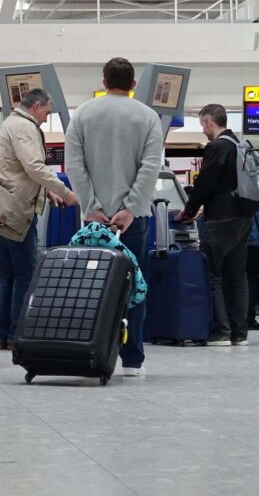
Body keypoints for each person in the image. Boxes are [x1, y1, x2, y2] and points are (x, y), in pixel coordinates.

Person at [64, 57, 164, 376]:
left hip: (93, 222)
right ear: (133, 84)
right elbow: (150, 168)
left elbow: (74, 166)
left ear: (103, 81)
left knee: (91, 287)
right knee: (133, 286)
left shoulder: (82, 114)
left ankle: (91, 349)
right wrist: (131, 209)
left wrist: (92, 207)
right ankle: (132, 358)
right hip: (133, 222)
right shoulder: (148, 117)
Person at [0, 88, 77, 351]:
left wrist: (47, 191)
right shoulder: (25, 127)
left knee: (6, 277)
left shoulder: (9, 123)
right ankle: (17, 334)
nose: (46, 118)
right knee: (25, 275)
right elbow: (34, 167)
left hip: (1, 209)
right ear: (36, 106)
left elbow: (16, 168)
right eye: (47, 112)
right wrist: (65, 191)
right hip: (17, 211)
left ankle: (4, 333)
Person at [178, 104, 253, 346]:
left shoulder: (217, 147)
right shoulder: (241, 145)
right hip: (243, 218)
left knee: (213, 275)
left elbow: (205, 184)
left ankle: (220, 331)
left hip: (220, 219)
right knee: (237, 276)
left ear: (210, 122)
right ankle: (239, 333)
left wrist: (189, 211)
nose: (203, 131)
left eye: (202, 125)